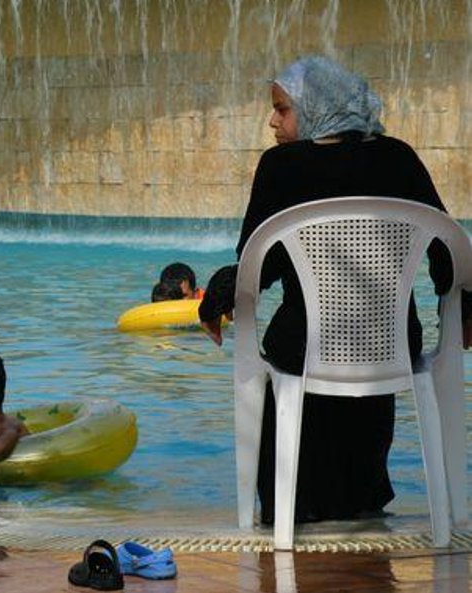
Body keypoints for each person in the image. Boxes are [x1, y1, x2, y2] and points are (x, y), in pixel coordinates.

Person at [198, 55, 472, 524]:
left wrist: (216, 299)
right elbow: (448, 254)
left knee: (282, 352)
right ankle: (367, 503)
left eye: (282, 109)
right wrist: (463, 309)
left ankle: (289, 511)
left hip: (305, 349)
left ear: (315, 107)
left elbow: (256, 267)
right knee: (371, 347)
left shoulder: (281, 167)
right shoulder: (398, 157)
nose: (272, 121)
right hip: (390, 346)